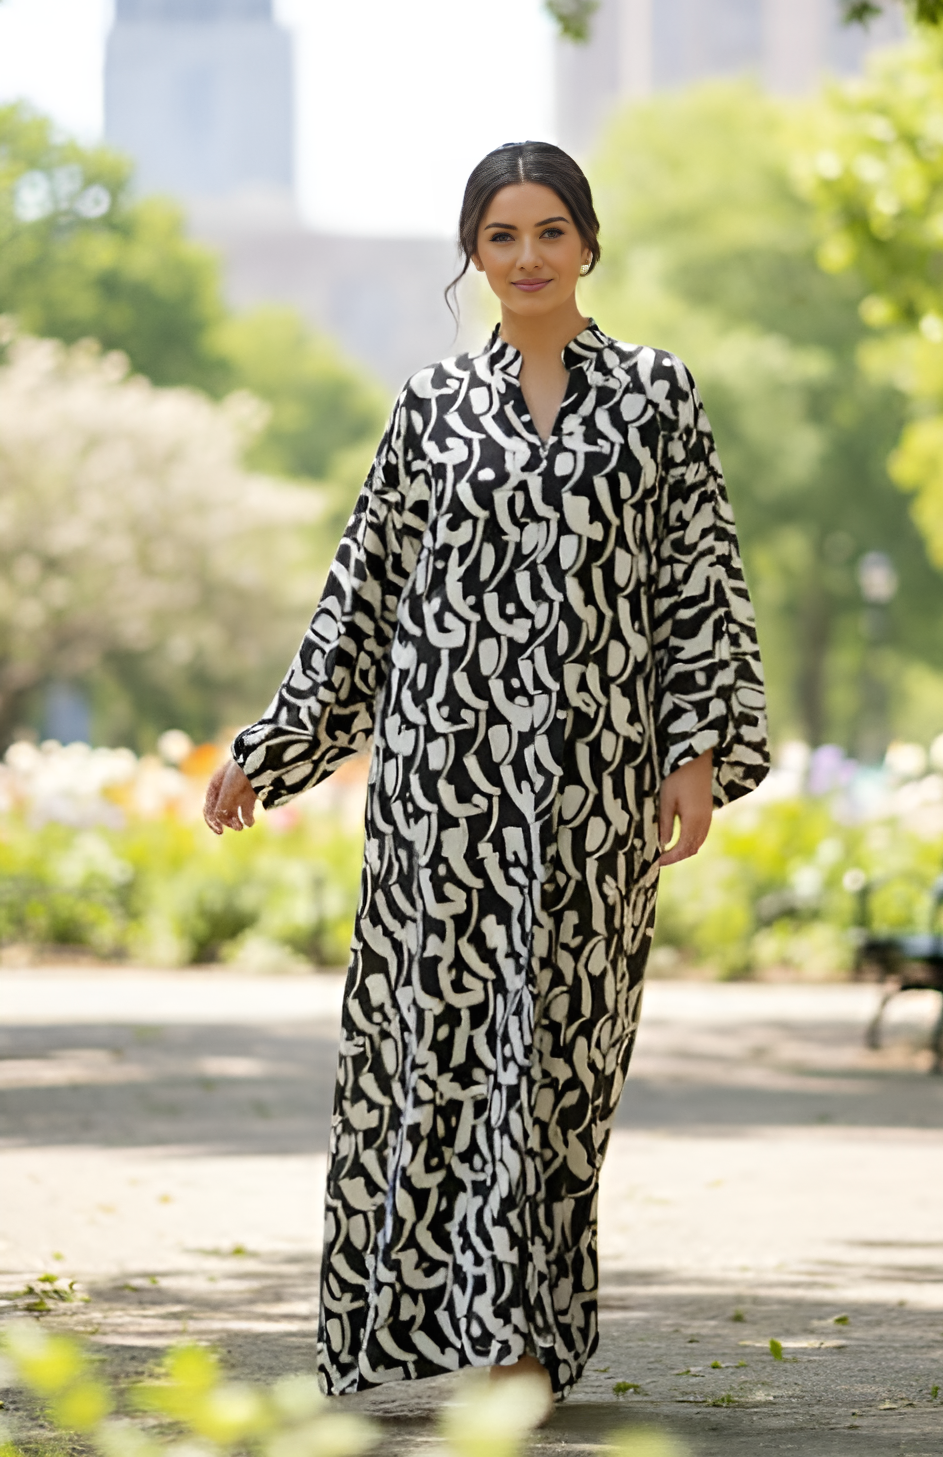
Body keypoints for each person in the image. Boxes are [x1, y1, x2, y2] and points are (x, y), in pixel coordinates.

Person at [204, 140, 769, 1408]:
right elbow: (363, 595)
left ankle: (530, 1327)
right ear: (472, 251)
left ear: (588, 244)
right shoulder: (430, 408)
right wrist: (271, 745)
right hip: (441, 794)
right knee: (443, 1056)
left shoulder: (657, 396)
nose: (526, 257)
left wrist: (693, 746)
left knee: (562, 1060)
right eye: (501, 235)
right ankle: (481, 1341)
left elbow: (697, 578)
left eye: (549, 231)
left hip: (590, 791)